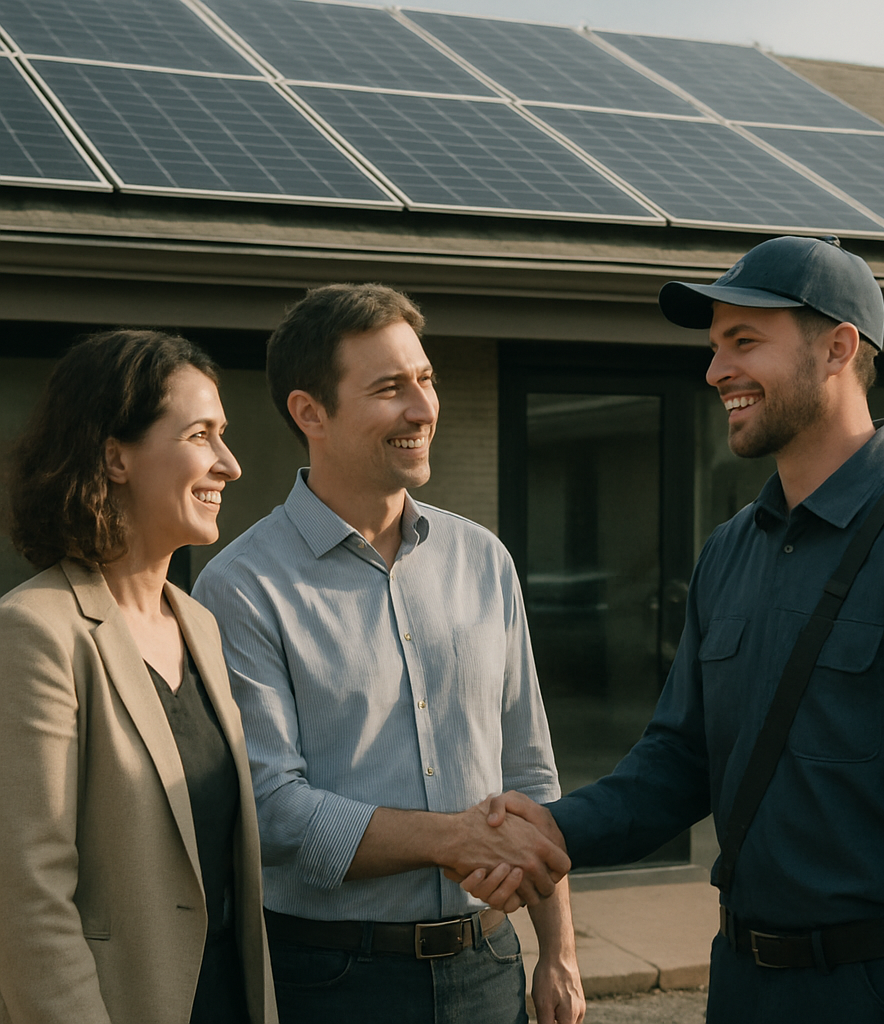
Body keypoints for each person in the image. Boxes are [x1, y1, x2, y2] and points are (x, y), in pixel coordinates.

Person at [466, 236, 884, 1023]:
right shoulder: (731, 548)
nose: (715, 370)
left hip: (876, 991)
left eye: (744, 341)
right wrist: (552, 828)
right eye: (714, 345)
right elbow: (678, 761)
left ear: (838, 348)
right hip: (741, 986)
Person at [191, 284, 584, 1024]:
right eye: (390, 388)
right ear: (311, 412)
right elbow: (274, 812)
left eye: (426, 380)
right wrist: (453, 839)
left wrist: (557, 952)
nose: (423, 409)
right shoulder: (241, 588)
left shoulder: (484, 561)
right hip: (334, 979)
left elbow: (531, 771)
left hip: (489, 962)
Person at [0, 330, 277, 1024]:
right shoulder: (36, 632)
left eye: (225, 436)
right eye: (201, 435)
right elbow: (26, 900)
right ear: (114, 457)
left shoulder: (200, 626)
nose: (230, 464)